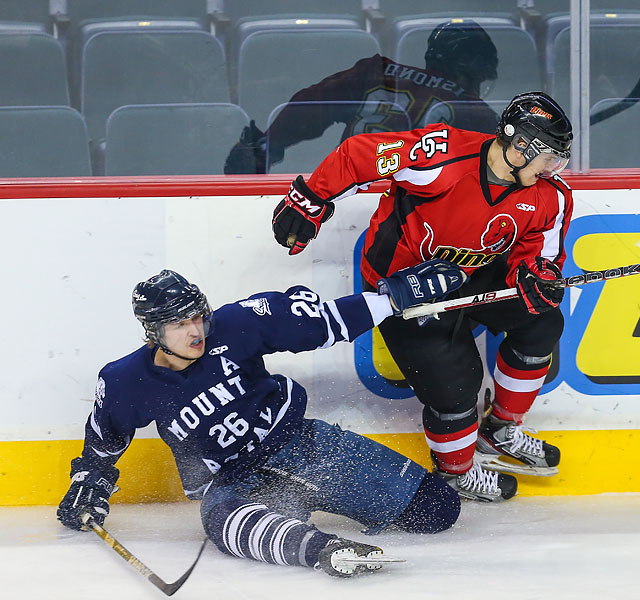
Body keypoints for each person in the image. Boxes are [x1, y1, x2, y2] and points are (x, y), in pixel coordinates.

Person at [57, 263, 466, 578]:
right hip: (237, 482)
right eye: (181, 324)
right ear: (153, 332)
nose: (196, 331)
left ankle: (318, 500)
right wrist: (88, 482)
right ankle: (320, 549)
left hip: (304, 448)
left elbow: (321, 323)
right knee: (222, 523)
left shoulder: (235, 324)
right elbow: (104, 438)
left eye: (198, 316)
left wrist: (391, 300)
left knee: (438, 511)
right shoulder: (126, 381)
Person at [270, 90, 574, 503]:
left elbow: (540, 250)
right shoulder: (443, 155)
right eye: (550, 158)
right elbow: (360, 154)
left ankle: (500, 429)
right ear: (520, 145)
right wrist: (310, 199)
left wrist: (538, 275)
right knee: (456, 387)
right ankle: (456, 472)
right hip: (404, 283)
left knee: (542, 322)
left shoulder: (550, 196)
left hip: (475, 271)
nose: (553, 169)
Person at [224, 19, 499, 174]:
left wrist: (268, 144)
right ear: (467, 65)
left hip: (346, 186)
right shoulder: (475, 111)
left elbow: (310, 105)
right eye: (481, 76)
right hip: (416, 205)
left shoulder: (377, 72)